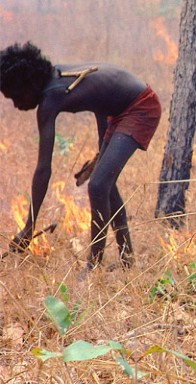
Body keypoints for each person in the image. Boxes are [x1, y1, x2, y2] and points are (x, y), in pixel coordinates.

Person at [1, 42, 161, 270]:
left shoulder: (50, 98)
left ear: (27, 84)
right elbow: (99, 94)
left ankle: (93, 266)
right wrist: (102, 148)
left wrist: (29, 227)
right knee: (105, 183)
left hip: (140, 106)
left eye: (16, 97)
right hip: (115, 110)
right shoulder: (56, 74)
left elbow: (43, 170)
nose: (17, 105)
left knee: (97, 186)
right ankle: (127, 260)